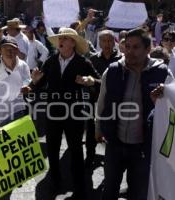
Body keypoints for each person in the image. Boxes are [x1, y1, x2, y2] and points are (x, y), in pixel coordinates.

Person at [96, 28, 172, 200]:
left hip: (144, 148)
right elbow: (102, 102)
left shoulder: (163, 73)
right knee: (109, 190)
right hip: (115, 143)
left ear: (148, 49)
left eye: (136, 47)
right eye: (127, 46)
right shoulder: (113, 70)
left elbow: (170, 111)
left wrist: (158, 102)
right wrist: (99, 128)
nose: (130, 51)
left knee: (138, 192)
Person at [30, 27, 100, 199]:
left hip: (74, 114)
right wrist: (35, 82)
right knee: (52, 150)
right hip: (53, 113)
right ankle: (54, 182)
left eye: (65, 38)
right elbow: (40, 85)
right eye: (59, 37)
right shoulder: (50, 61)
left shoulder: (84, 63)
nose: (60, 40)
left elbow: (98, 83)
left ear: (73, 43)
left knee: (76, 150)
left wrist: (90, 82)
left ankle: (79, 186)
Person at [84, 30, 122, 167]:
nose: (107, 43)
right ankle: (90, 156)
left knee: (114, 132)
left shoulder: (122, 60)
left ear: (114, 42)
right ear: (99, 42)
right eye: (103, 40)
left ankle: (113, 160)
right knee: (91, 131)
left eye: (109, 40)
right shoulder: (92, 59)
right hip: (94, 101)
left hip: (115, 103)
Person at [0, 37, 31, 126]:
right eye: (5, 49)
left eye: (12, 49)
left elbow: (27, 81)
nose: (9, 52)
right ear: (0, 50)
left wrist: (26, 87)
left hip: (17, 111)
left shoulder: (23, 66)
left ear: (17, 50)